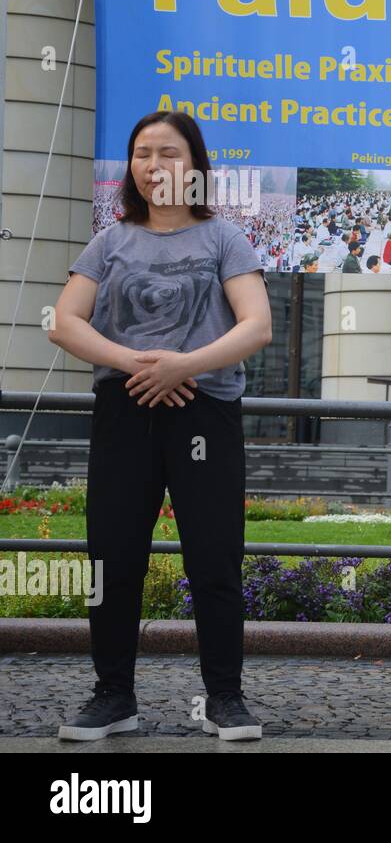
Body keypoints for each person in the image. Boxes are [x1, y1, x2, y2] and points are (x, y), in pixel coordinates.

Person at [50, 110, 273, 742]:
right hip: (126, 408)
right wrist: (135, 364)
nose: (154, 166)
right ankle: (113, 695)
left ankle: (225, 698)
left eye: (169, 153)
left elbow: (256, 325)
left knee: (214, 558)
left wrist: (184, 367)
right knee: (113, 557)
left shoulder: (226, 238)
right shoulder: (109, 241)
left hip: (204, 409)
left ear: (195, 165)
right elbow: (64, 321)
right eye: (142, 154)